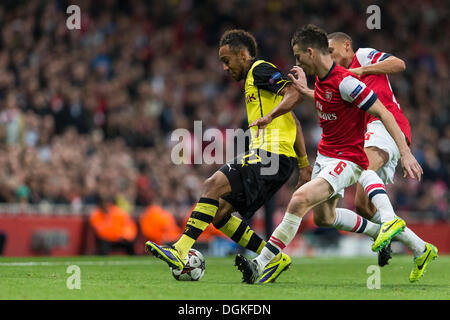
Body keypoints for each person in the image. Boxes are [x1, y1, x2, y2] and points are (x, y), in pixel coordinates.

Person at [235, 24, 424, 284]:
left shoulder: (347, 80)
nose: (297, 61)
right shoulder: (324, 81)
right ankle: (403, 241)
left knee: (299, 199)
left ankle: (261, 263)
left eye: (299, 56)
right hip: (326, 155)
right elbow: (327, 98)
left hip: (346, 159)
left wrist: (405, 152)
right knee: (324, 217)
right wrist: (276, 111)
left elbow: (383, 112)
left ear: (311, 53)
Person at [145, 29, 313, 283]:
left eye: (227, 60)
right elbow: (294, 121)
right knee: (220, 214)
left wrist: (270, 118)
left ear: (243, 55)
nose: (224, 68)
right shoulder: (254, 86)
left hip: (271, 155)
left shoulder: (259, 69)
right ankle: (273, 258)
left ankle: (180, 249)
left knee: (212, 184)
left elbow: (295, 92)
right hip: (277, 159)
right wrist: (303, 164)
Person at [323, 32, 437, 281]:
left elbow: (399, 64)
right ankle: (421, 248)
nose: (329, 56)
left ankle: (388, 220)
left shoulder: (363, 56)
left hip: (387, 123)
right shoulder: (338, 78)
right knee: (363, 205)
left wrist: (363, 71)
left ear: (346, 46)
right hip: (370, 133)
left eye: (331, 50)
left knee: (363, 167)